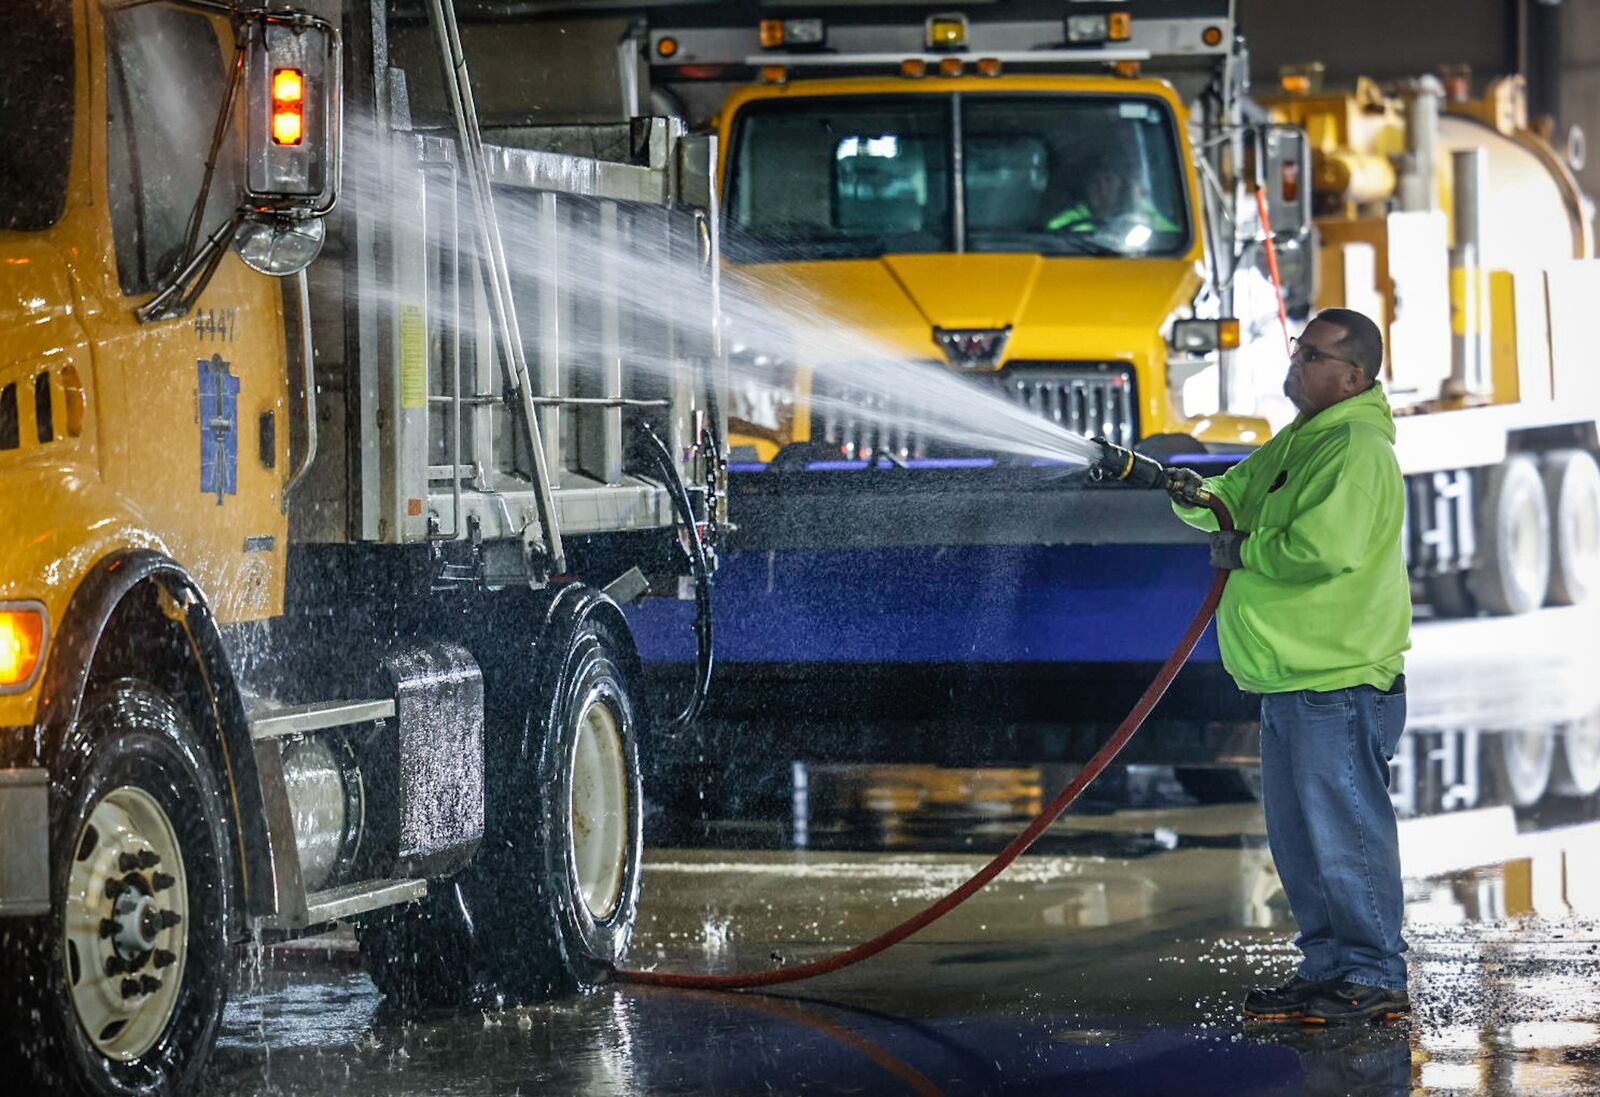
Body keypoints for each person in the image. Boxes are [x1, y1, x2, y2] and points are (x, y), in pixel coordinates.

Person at [1167, 308, 1413, 1024]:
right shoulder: (1303, 440)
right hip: (1293, 680)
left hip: (1336, 681)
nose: (1297, 359)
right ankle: (1329, 968)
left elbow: (1321, 547)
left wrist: (1244, 550)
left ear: (1353, 375)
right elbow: (1232, 501)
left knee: (1345, 835)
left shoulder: (1356, 448)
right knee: (1302, 842)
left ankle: (1373, 975)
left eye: (1313, 353)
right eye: (1299, 347)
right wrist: (1189, 493)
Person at [1045, 155, 1177, 242]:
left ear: (1122, 185)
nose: (1101, 187)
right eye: (1094, 181)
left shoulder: (1145, 213)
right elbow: (1053, 240)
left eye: (1108, 180)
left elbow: (1173, 239)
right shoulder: (1067, 220)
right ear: (1085, 187)